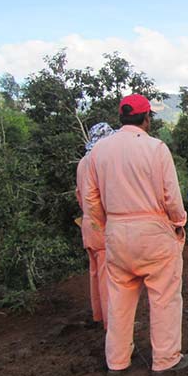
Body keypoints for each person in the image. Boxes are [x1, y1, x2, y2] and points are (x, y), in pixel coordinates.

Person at [84, 94, 188, 376]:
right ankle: (165, 359)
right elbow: (171, 195)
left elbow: (91, 200)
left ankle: (117, 361)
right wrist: (179, 222)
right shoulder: (156, 148)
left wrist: (104, 226)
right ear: (147, 118)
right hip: (154, 231)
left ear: (121, 117)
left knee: (118, 300)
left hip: (116, 232)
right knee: (164, 297)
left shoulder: (98, 152)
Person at [75, 122, 115, 330]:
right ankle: (112, 324)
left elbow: (80, 196)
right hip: (100, 225)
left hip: (88, 225)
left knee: (95, 272)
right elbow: (97, 197)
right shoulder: (98, 162)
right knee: (107, 276)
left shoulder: (82, 162)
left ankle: (99, 314)